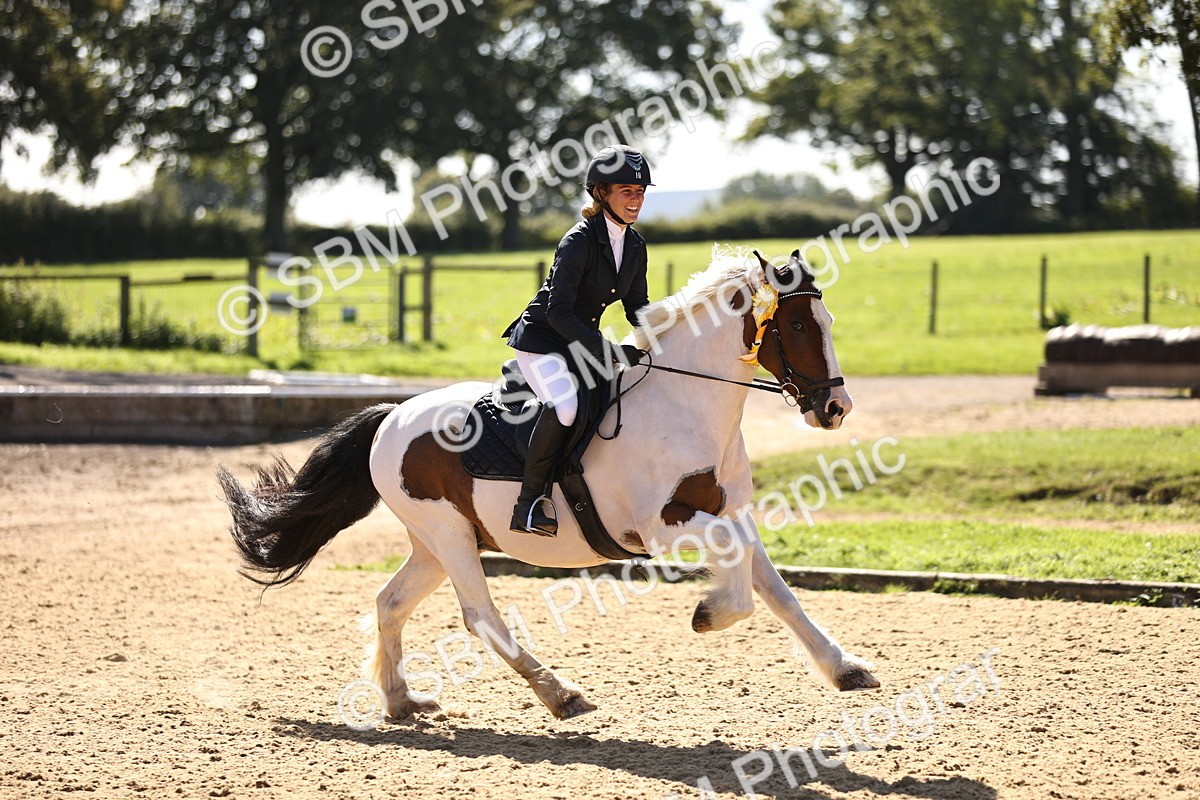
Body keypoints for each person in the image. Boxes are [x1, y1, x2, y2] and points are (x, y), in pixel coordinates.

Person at [501, 144, 653, 536]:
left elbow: (637, 305)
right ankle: (528, 504)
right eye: (626, 191)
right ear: (601, 193)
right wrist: (608, 350)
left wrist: (664, 337)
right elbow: (558, 312)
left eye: (640, 192)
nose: (635, 199)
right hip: (542, 340)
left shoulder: (635, 245)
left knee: (613, 398)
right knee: (567, 407)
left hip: (578, 341)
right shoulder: (579, 241)